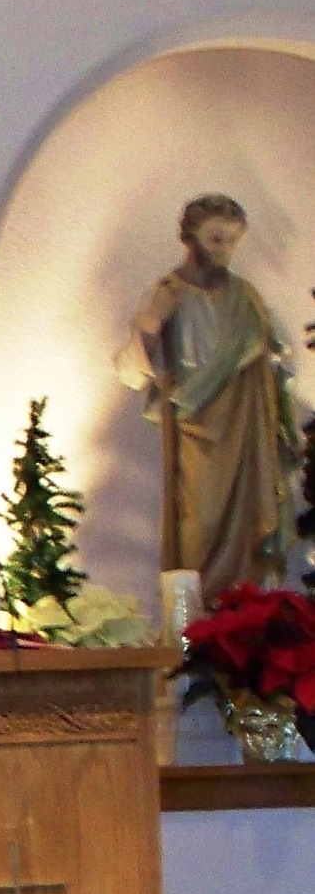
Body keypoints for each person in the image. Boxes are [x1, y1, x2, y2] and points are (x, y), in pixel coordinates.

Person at [118, 194, 300, 597]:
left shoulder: (246, 298)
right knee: (198, 528)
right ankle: (203, 621)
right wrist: (151, 325)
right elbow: (131, 372)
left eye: (232, 241)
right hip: (196, 430)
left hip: (247, 430)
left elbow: (272, 362)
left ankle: (246, 613)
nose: (225, 251)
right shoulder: (169, 292)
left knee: (252, 525)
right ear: (191, 237)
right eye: (216, 239)